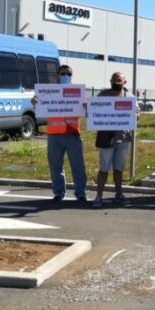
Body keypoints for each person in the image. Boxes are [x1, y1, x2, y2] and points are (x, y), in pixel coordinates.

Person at [32, 64, 88, 203]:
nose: (65, 76)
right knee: (55, 166)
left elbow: (87, 112)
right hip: (54, 135)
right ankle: (59, 193)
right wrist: (35, 103)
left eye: (68, 73)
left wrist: (86, 107)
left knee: (78, 166)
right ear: (57, 75)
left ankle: (81, 193)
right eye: (63, 73)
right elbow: (40, 108)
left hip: (72, 134)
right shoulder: (47, 92)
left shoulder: (78, 92)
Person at [92, 72, 133, 208]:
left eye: (119, 80)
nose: (116, 83)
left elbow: (137, 114)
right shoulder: (103, 95)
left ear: (125, 82)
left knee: (119, 168)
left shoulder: (130, 98)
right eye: (114, 80)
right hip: (106, 137)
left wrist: (136, 115)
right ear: (110, 81)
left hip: (123, 137)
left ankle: (119, 194)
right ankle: (99, 196)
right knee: (104, 168)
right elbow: (93, 110)